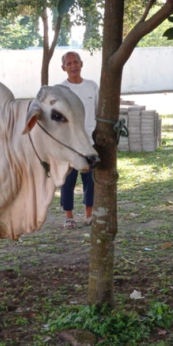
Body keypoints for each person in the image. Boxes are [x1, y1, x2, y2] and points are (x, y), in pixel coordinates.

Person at [59, 51, 98, 229]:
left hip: (90, 141)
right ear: (63, 68)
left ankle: (89, 214)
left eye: (76, 62)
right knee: (68, 180)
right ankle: (69, 216)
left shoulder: (92, 86)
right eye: (69, 63)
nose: (73, 66)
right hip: (69, 143)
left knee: (90, 180)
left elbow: (98, 111)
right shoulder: (60, 90)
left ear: (82, 64)